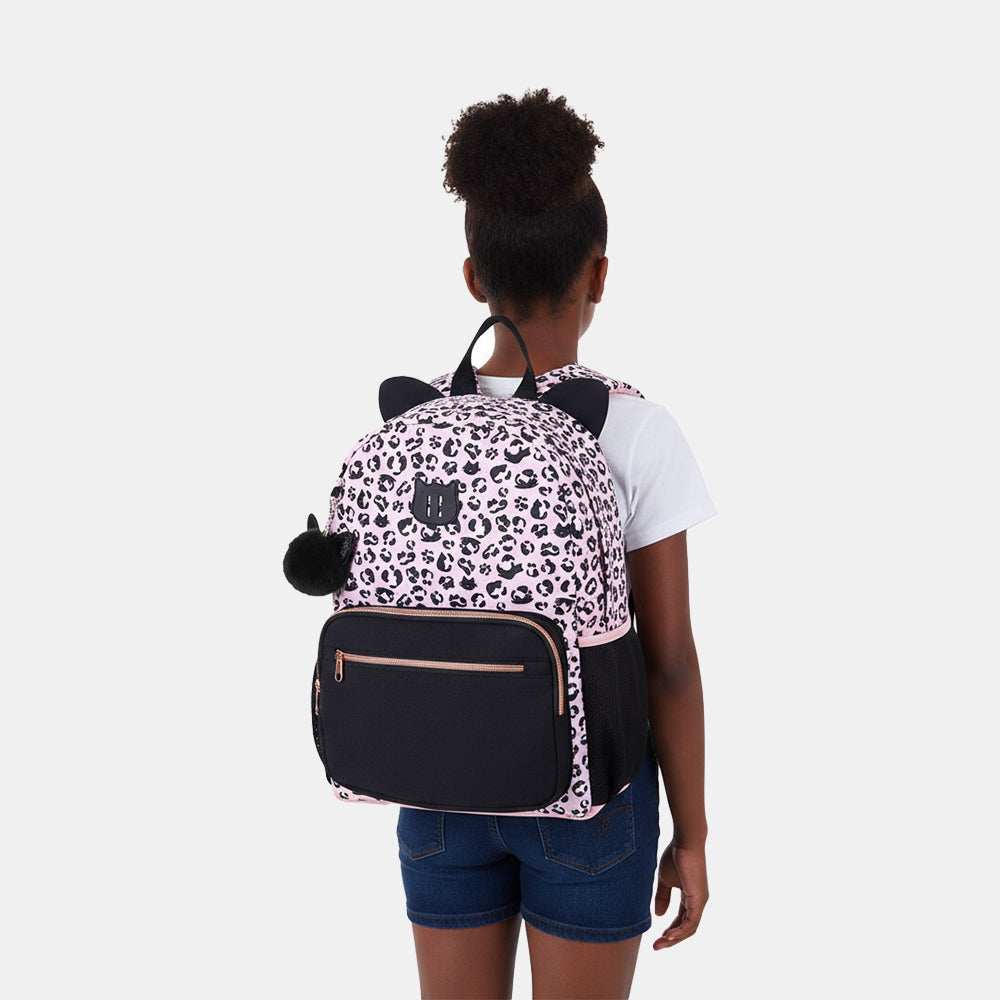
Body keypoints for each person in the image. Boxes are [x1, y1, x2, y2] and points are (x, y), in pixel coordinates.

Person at [397, 89, 716, 1000]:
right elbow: (668, 663)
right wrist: (691, 834)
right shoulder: (636, 429)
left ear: (473, 278)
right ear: (600, 274)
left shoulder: (414, 420)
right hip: (591, 805)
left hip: (438, 788)